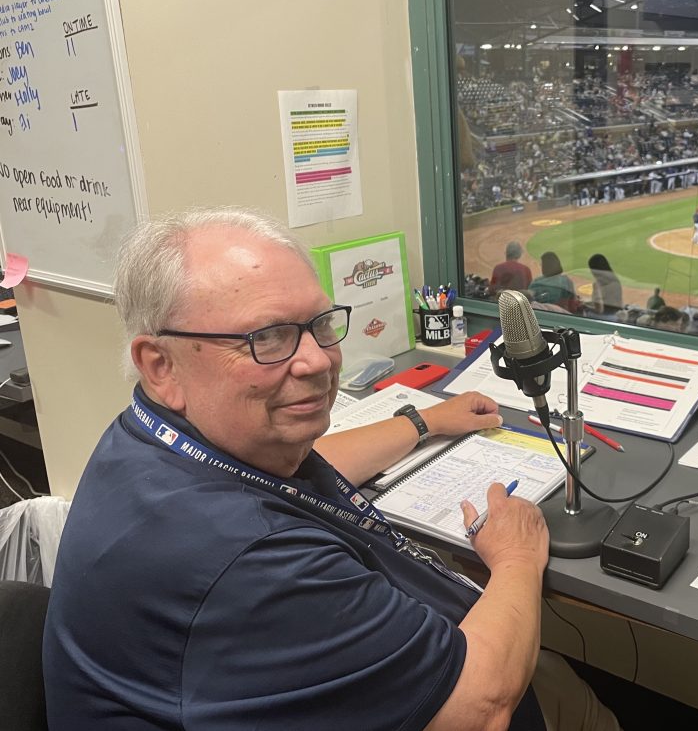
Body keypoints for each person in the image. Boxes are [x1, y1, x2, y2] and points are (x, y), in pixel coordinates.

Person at [42, 208, 619, 731]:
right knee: (577, 700)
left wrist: (425, 422)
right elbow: (481, 709)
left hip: (424, 656)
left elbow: (282, 479)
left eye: (320, 324)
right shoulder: (243, 564)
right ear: (160, 363)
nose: (317, 360)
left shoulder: (160, 442)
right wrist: (516, 558)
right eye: (267, 337)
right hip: (473, 691)